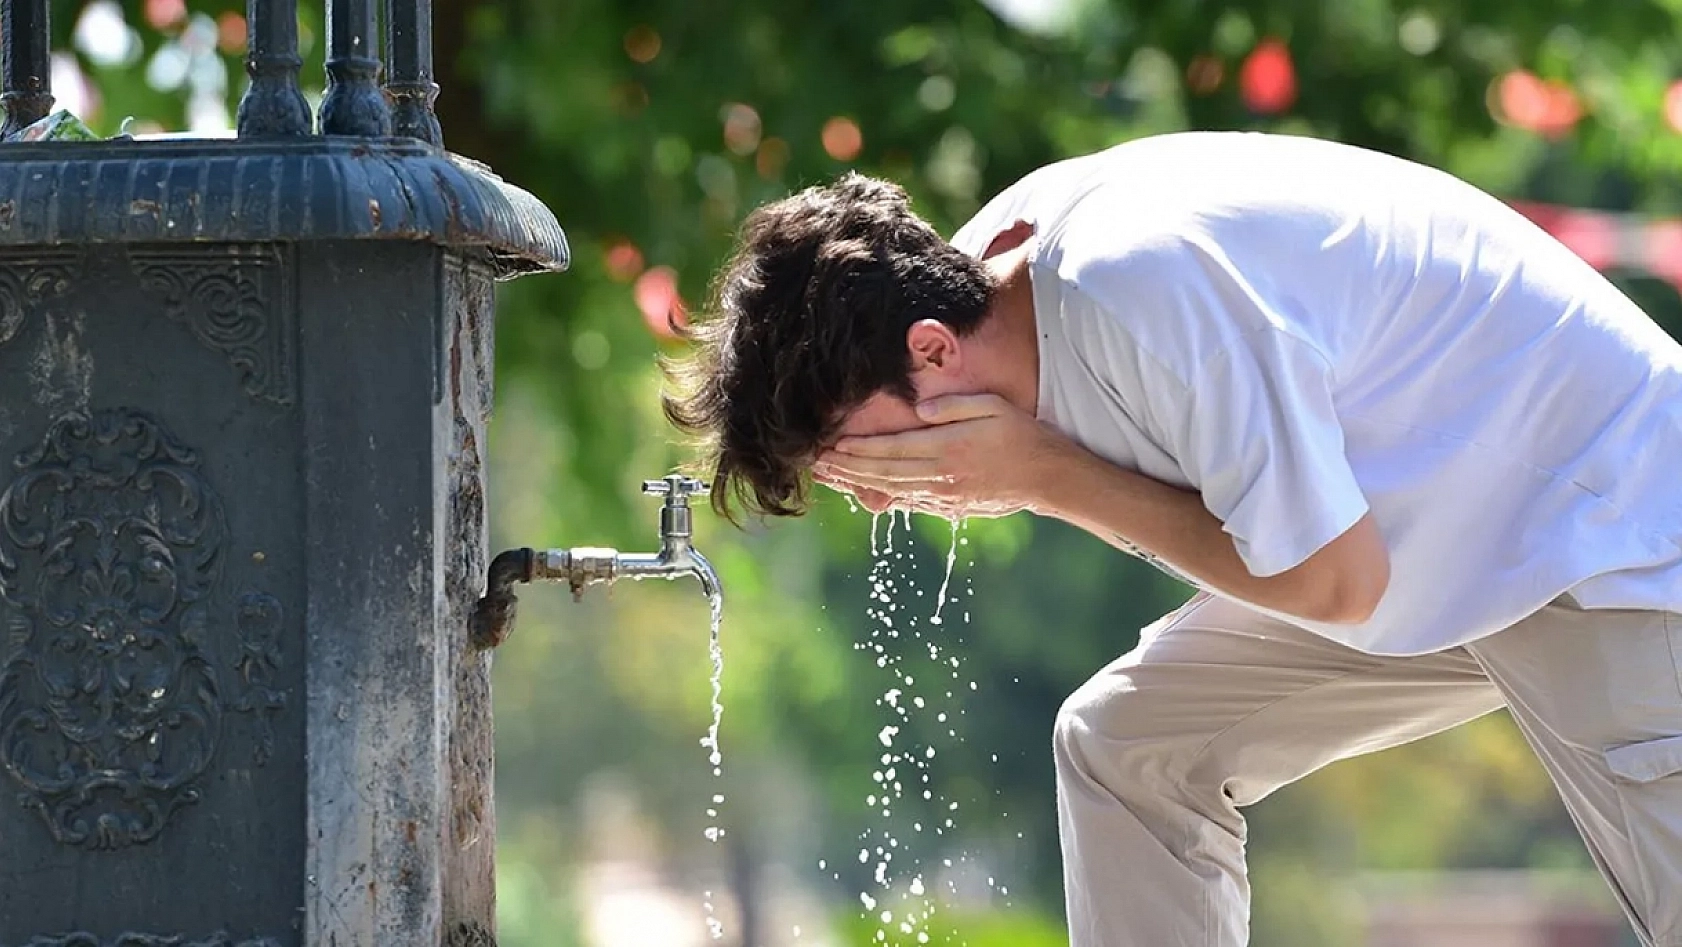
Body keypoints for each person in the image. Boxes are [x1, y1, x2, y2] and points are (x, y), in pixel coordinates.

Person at [660, 131, 1682, 947]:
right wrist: (1039, 470)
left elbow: (1336, 582)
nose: (877, 501)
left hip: (1596, 520)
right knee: (1127, 749)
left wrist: (1050, 477)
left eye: (857, 457)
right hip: (1418, 537)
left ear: (929, 352)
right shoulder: (980, 298)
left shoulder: (1133, 290)